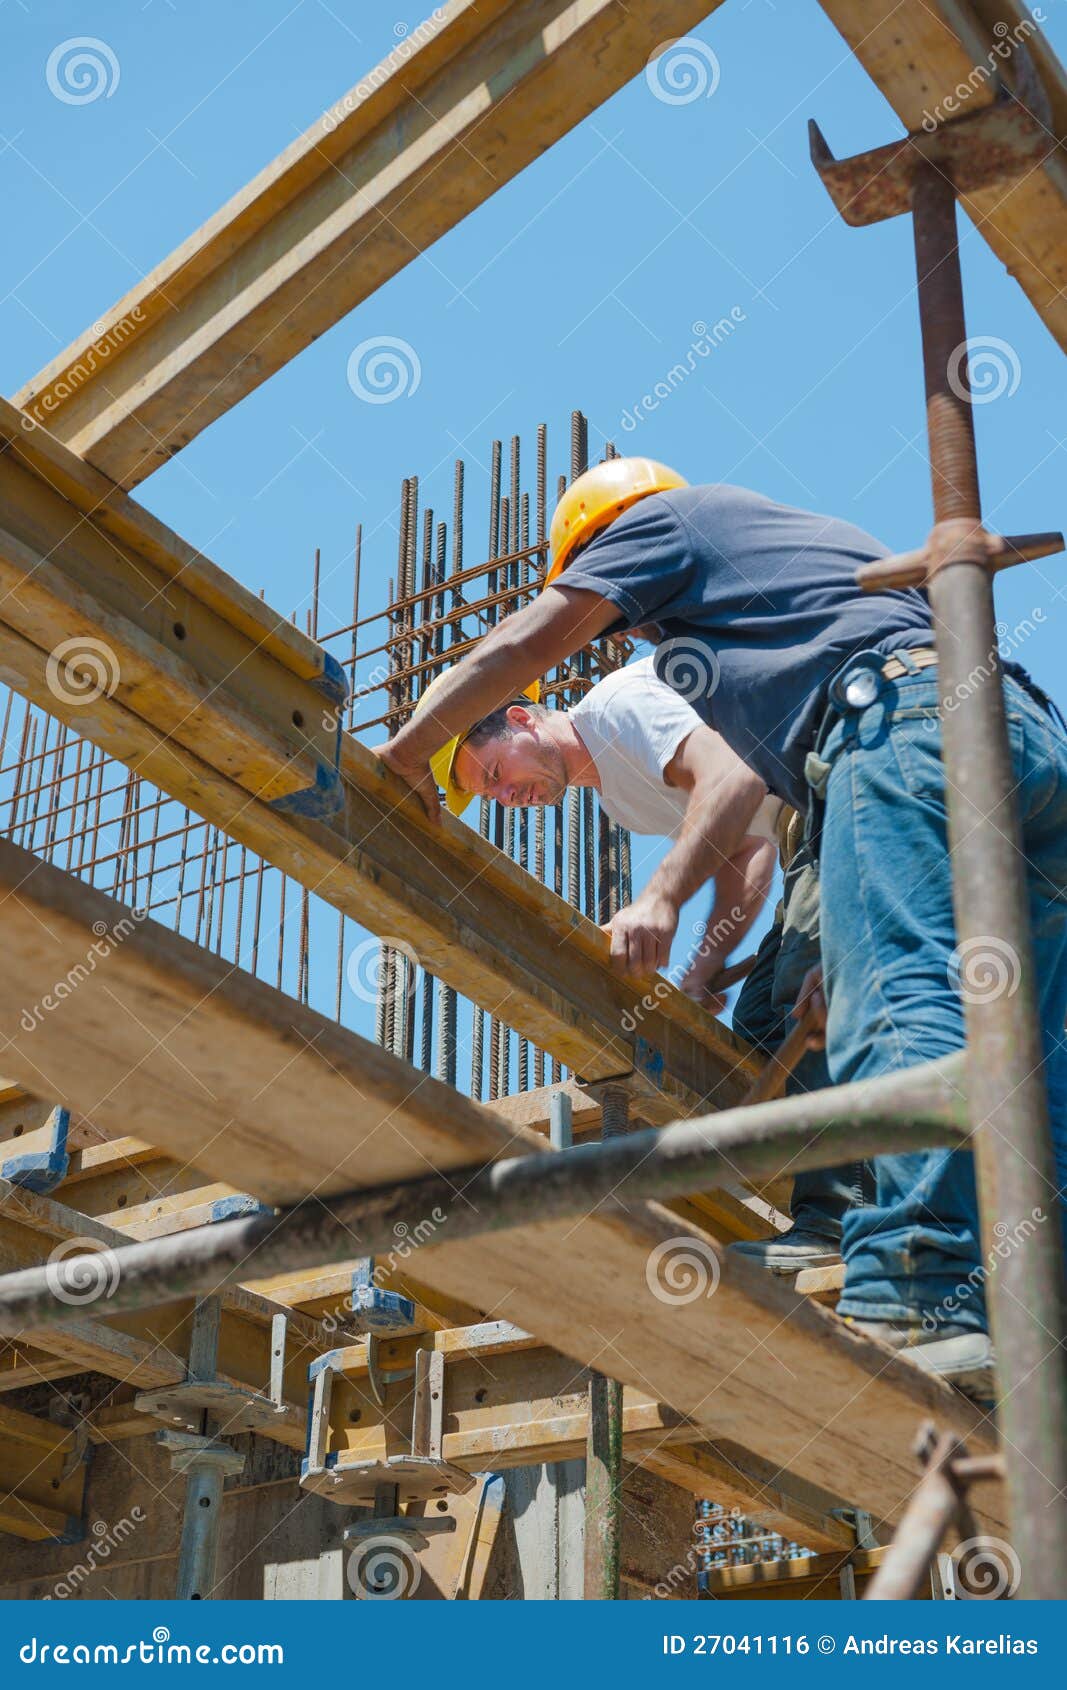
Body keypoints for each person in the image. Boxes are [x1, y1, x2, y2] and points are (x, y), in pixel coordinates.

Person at [379, 456, 1067, 1396]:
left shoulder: (658, 531)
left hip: (899, 724)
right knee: (1031, 1049)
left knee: (895, 997)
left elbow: (532, 649)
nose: (501, 796)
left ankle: (919, 1281)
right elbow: (756, 846)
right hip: (1013, 726)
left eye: (486, 770)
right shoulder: (748, 585)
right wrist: (710, 958)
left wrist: (400, 759)